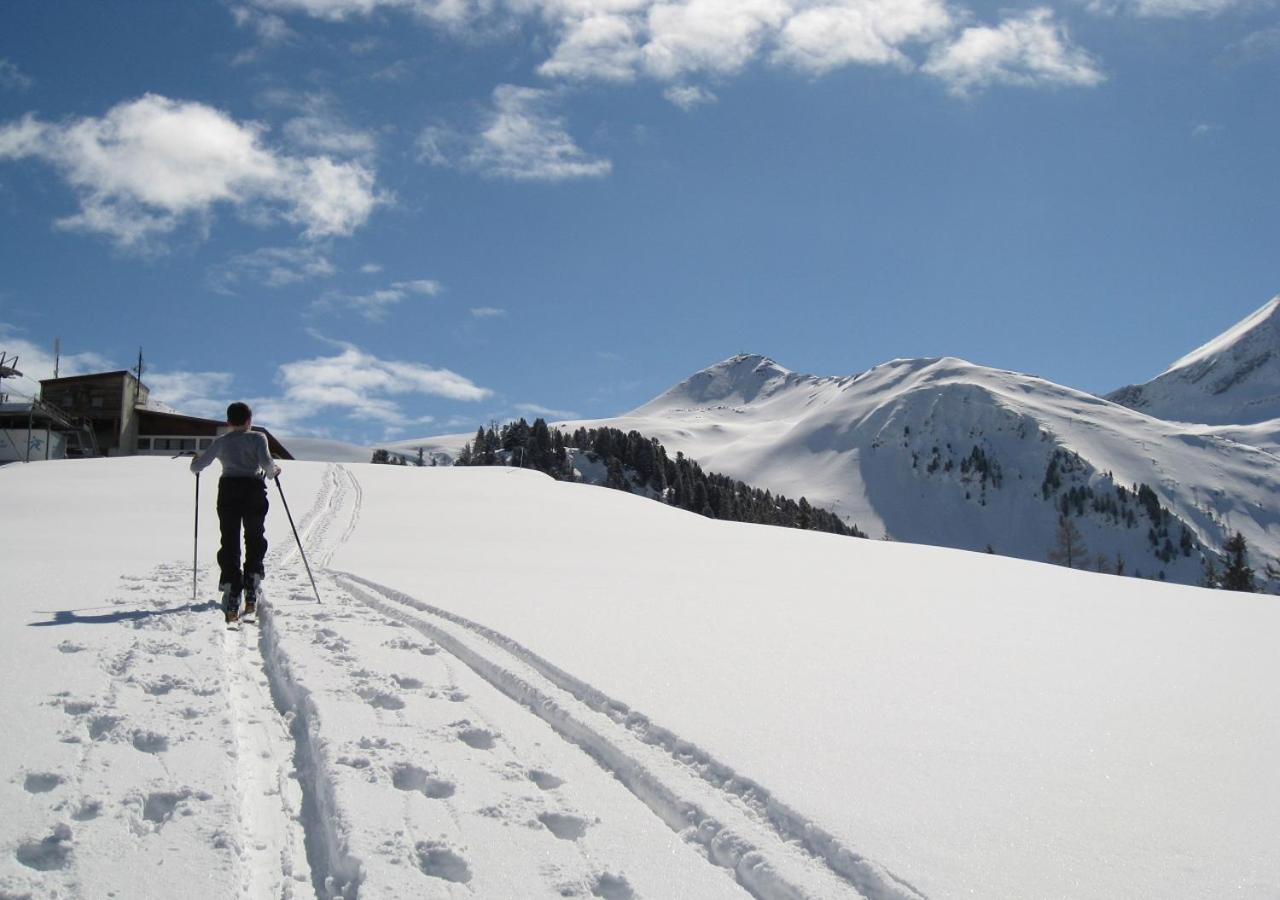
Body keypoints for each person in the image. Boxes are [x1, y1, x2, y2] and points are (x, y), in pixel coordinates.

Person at [191, 402, 282, 623]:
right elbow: (268, 466)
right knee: (254, 534)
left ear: (229, 421)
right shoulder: (257, 437)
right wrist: (275, 471)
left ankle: (232, 586)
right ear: (249, 420)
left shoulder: (221, 442)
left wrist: (195, 461)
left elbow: (198, 466)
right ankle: (252, 578)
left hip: (228, 490)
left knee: (229, 537)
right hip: (253, 489)